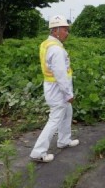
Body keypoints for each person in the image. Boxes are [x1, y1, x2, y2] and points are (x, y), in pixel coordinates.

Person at [30, 15, 79, 163]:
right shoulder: (56, 50)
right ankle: (38, 152)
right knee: (55, 120)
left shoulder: (46, 44)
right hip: (58, 89)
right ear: (55, 30)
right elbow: (60, 74)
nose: (67, 33)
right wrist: (68, 94)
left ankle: (64, 140)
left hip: (53, 87)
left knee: (67, 112)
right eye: (65, 30)